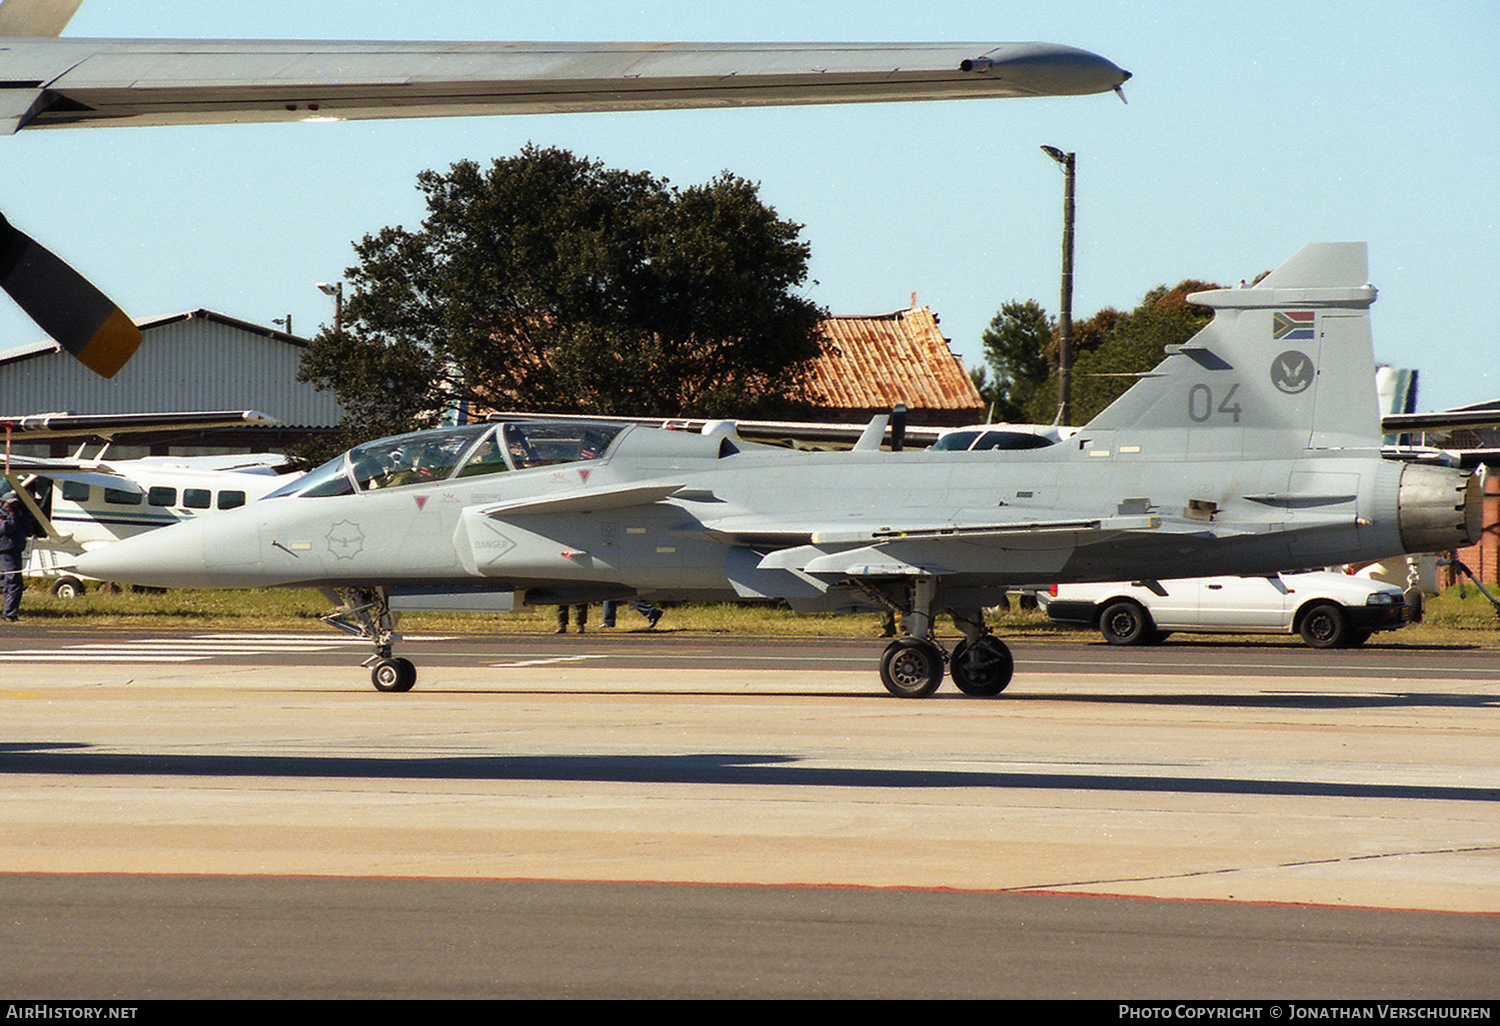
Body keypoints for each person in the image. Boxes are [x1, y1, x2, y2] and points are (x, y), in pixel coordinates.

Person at [0, 495, 28, 622]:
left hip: (15, 552)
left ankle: (10, 612)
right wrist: (12, 515)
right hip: (6, 552)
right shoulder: (3, 515)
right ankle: (9, 613)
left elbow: (29, 528)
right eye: (10, 504)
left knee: (14, 582)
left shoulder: (18, 516)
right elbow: (6, 529)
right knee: (13, 580)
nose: (13, 506)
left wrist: (21, 515)